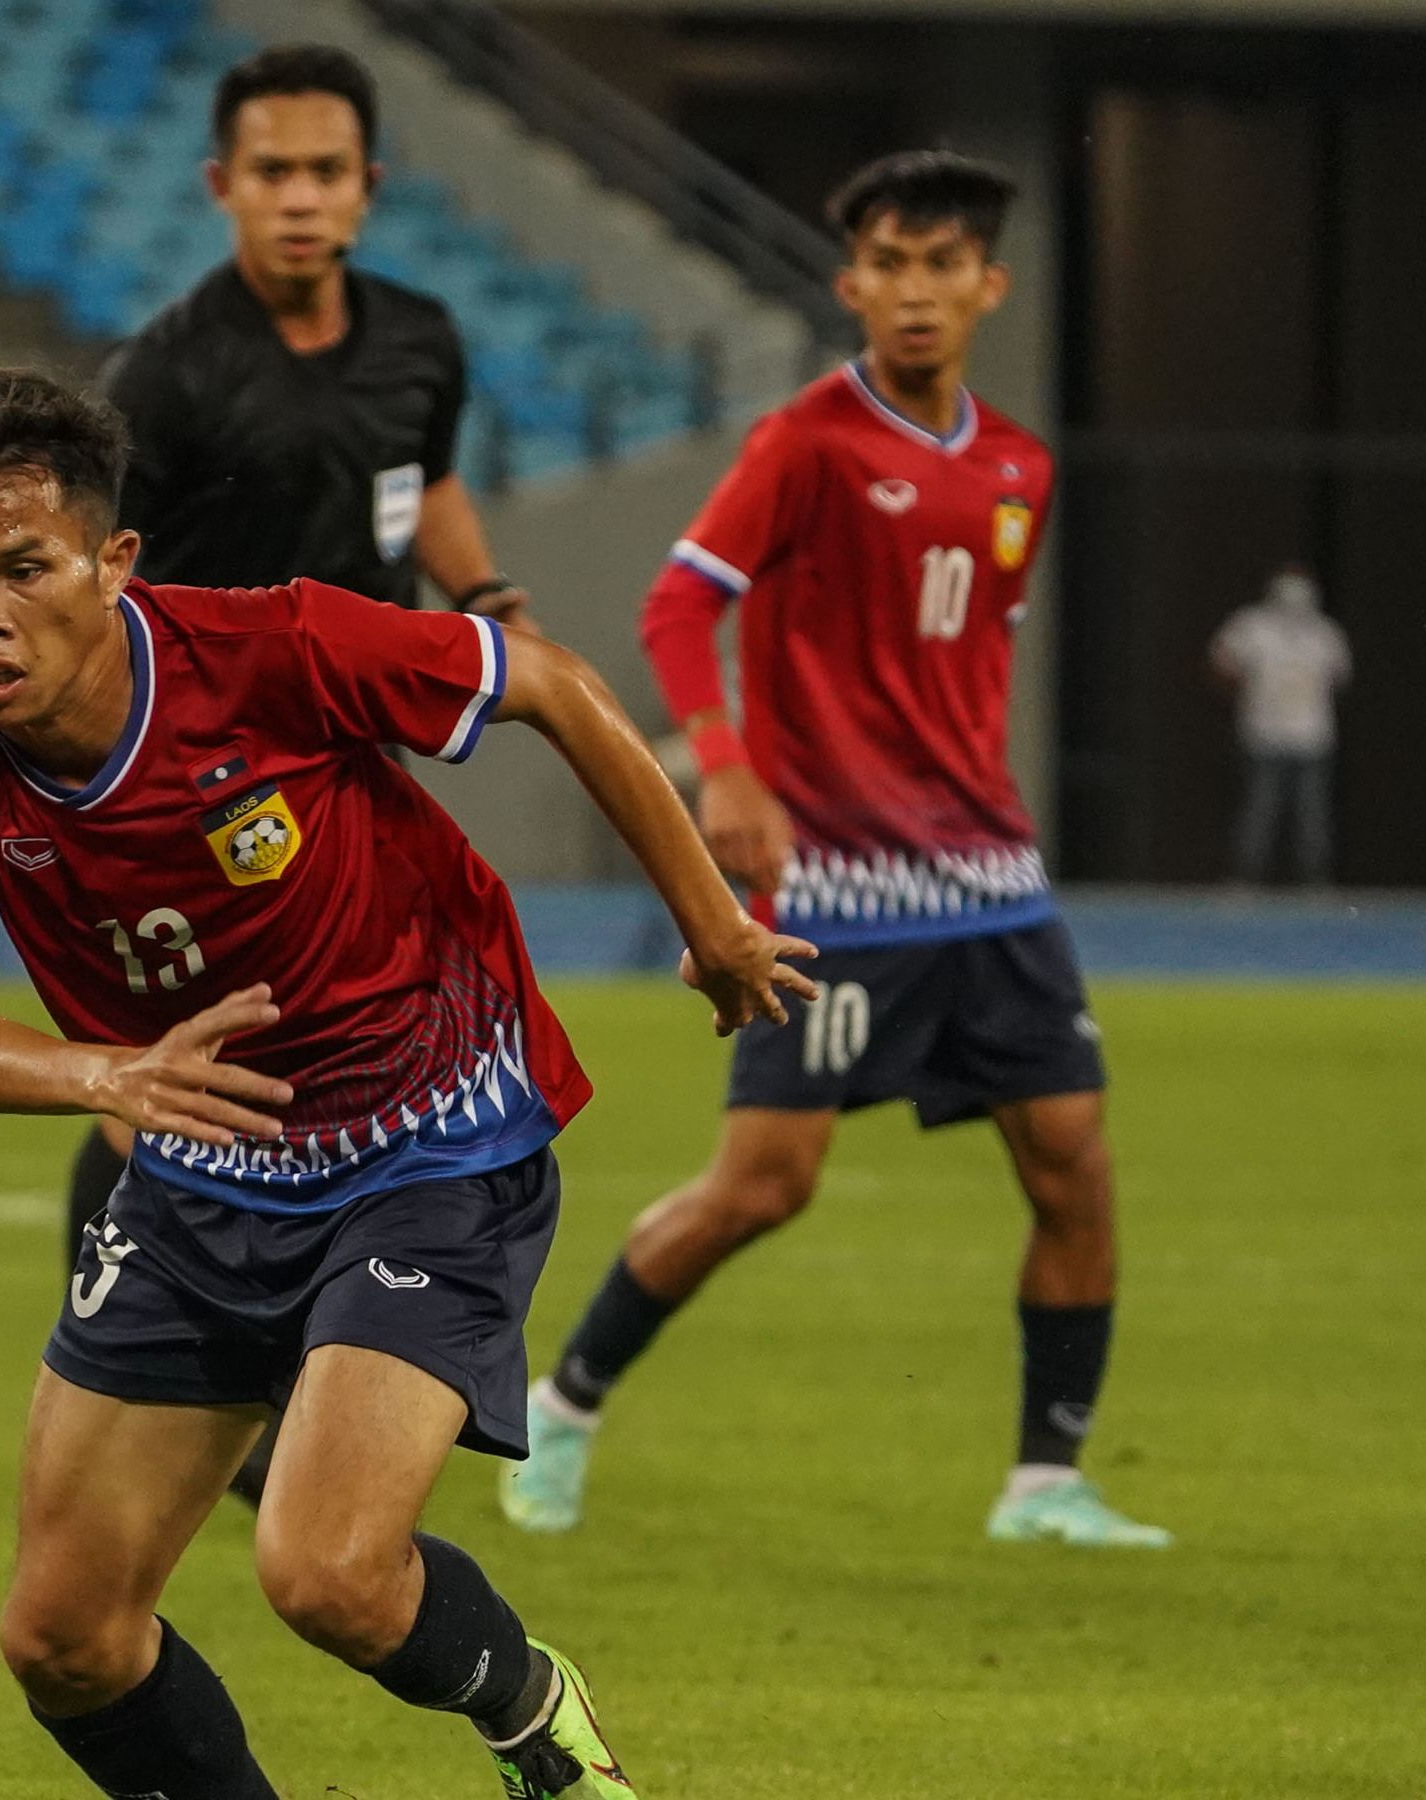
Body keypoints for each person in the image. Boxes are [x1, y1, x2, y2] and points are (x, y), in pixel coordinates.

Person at [0, 369, 812, 1798]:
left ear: (113, 562)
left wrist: (713, 924)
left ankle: (533, 1714)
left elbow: (551, 683)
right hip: (200, 1167)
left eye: (22, 569)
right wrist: (115, 1075)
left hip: (427, 1136)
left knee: (328, 1573)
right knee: (63, 1638)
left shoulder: (276, 647)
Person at [502, 150, 1172, 1550]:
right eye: (890, 264)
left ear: (988, 286)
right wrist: (727, 764)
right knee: (764, 1186)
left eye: (943, 266)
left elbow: (971, 654)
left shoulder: (1019, 466)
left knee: (1074, 1164)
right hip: (837, 887)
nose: (915, 291)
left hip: (988, 881)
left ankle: (1044, 1483)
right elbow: (677, 607)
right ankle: (562, 1405)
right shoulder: (804, 443)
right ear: (849, 283)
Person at [77, 43, 538, 1498]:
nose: (298, 197)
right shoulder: (163, 373)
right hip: (200, 780)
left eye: (324, 172)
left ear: (368, 187)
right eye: (271, 172)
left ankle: (287, 1365)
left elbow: (424, 482)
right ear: (221, 185)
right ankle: (140, 1357)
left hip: (352, 765)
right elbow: (94, 576)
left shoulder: (420, 339)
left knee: (339, 1051)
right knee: (191, 1063)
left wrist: (486, 598)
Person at [1210, 565, 1348, 885]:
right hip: (1264, 733)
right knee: (1260, 807)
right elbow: (1221, 659)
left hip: (1310, 735)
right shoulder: (1253, 626)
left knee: (1312, 812)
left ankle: (1314, 876)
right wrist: (1247, 690)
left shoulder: (1324, 633)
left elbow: (1339, 678)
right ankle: (1247, 874)